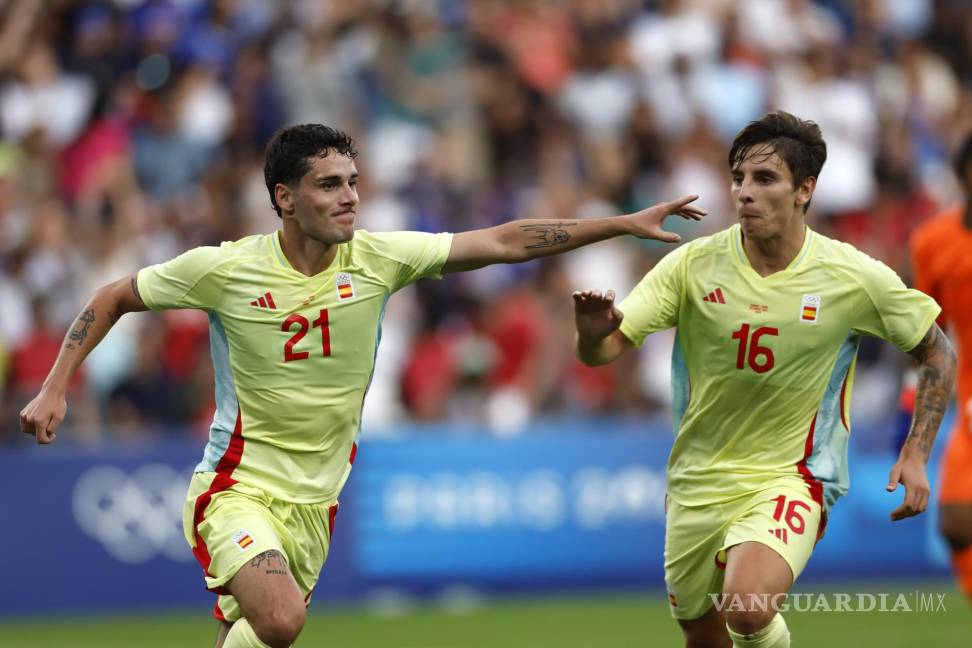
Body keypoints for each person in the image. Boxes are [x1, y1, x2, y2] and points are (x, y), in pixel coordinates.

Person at [19, 123, 705, 648]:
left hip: (317, 502)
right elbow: (113, 296)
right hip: (237, 487)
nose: (348, 197)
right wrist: (56, 387)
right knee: (283, 621)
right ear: (285, 198)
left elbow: (504, 241)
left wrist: (619, 223)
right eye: (328, 185)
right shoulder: (224, 270)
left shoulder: (379, 258)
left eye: (352, 181)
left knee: (262, 637)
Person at [571, 111, 956, 648]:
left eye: (764, 179)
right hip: (696, 481)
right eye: (738, 179)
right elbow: (606, 350)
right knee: (706, 638)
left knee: (747, 608)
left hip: (792, 475)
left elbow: (938, 351)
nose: (744, 193)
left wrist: (917, 451)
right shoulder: (692, 265)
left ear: (805, 190)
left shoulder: (851, 276)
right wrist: (592, 335)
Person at [910, 132, 972, 606]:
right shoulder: (933, 241)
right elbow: (926, 332)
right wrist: (910, 401)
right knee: (955, 523)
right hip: (969, 403)